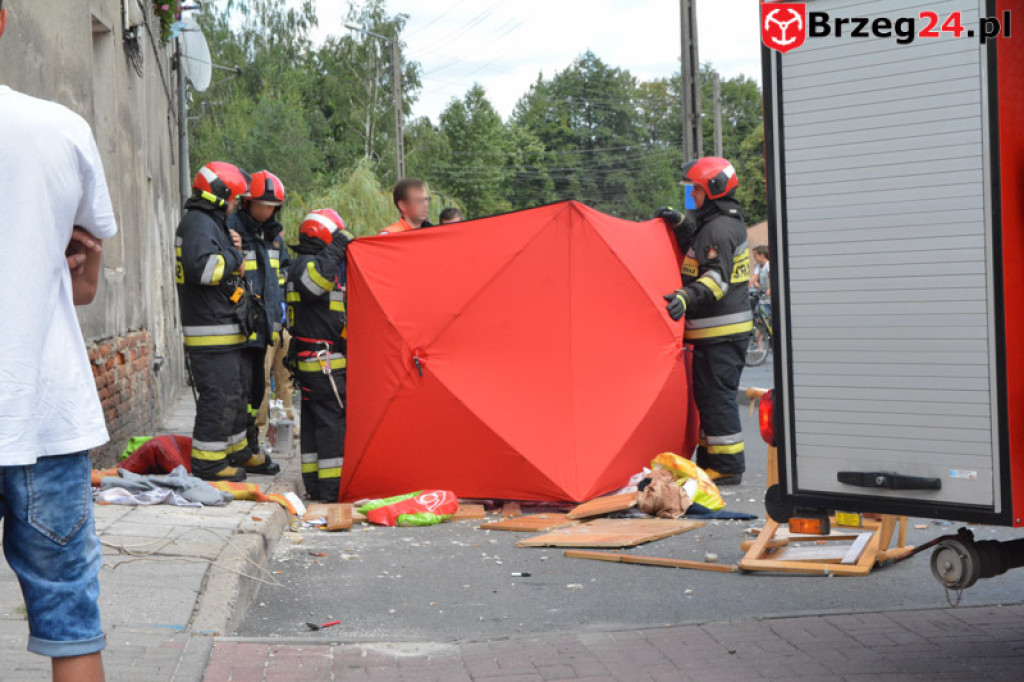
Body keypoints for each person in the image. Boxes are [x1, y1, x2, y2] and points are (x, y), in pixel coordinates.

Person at [0, 3, 113, 677]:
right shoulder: (60, 129)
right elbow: (83, 282)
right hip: (45, 418)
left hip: (45, 420)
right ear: (4, 23)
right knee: (71, 621)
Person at [656, 156, 752, 485]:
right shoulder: (719, 224)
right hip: (720, 332)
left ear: (712, 189)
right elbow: (697, 245)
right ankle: (713, 460)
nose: (692, 196)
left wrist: (685, 297)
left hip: (722, 332)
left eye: (695, 190)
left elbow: (715, 280)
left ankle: (727, 467)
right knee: (709, 396)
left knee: (717, 396)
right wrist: (681, 223)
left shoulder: (718, 229)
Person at [175, 161, 253, 482]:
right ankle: (209, 465)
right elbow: (203, 269)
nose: (235, 204)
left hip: (222, 330)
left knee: (230, 396)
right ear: (220, 194)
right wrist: (235, 257)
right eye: (233, 197)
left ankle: (228, 455)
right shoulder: (197, 223)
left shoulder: (208, 222)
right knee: (217, 398)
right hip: (210, 333)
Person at [286, 209, 354, 501]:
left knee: (315, 423)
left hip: (315, 359)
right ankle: (331, 488)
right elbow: (315, 285)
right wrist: (339, 246)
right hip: (322, 361)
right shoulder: (307, 266)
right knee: (330, 424)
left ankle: (315, 484)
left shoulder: (309, 265)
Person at [226, 169, 288, 476]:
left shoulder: (274, 237)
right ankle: (235, 448)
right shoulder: (232, 230)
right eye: (262, 205)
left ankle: (250, 447)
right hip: (239, 325)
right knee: (238, 390)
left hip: (266, 327)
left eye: (272, 206)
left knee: (255, 393)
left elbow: (281, 275)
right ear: (247, 203)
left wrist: (280, 319)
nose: (267, 211)